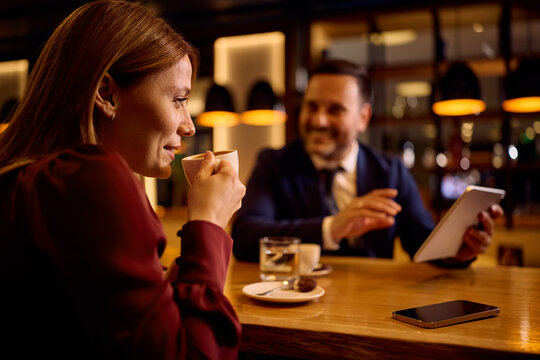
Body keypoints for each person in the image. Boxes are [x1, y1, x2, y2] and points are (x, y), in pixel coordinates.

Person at [0, 1, 245, 359]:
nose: (189, 125)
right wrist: (209, 223)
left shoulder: (26, 179)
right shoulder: (86, 177)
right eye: (178, 100)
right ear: (105, 93)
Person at [232, 59, 503, 266]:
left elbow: (423, 246)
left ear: (363, 117)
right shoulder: (274, 163)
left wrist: (460, 251)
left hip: (373, 306)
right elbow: (245, 238)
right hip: (293, 305)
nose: (318, 120)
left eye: (334, 109)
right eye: (311, 106)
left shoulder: (390, 172)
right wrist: (332, 228)